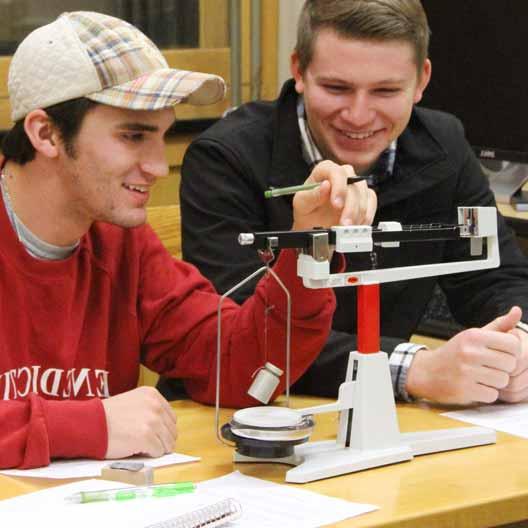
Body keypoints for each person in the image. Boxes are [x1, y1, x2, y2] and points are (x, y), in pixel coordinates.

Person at [0, 10, 364, 469]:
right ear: (45, 133)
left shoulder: (122, 242)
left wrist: (308, 244)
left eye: (162, 136)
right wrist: (88, 425)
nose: (156, 165)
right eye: (132, 136)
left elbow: (242, 371)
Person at [174, 0, 528, 407]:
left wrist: (516, 346)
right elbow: (240, 335)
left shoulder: (444, 144)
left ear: (421, 80)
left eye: (386, 91)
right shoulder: (225, 159)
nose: (359, 116)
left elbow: (497, 279)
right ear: (299, 71)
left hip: (389, 416)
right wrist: (414, 369)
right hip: (247, 414)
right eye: (337, 88)